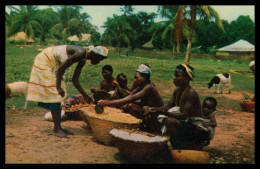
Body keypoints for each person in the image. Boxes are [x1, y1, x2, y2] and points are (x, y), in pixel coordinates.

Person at [26, 45, 108, 138]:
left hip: (53, 63)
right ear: (94, 54)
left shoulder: (83, 59)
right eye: (100, 58)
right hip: (44, 60)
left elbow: (75, 80)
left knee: (58, 96)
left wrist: (85, 96)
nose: (99, 61)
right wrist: (58, 87)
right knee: (56, 94)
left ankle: (58, 127)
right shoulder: (81, 53)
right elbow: (61, 68)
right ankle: (57, 129)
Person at [142, 64, 208, 149]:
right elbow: (168, 108)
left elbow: (183, 115)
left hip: (196, 128)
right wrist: (152, 109)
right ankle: (159, 145)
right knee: (149, 111)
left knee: (170, 121)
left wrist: (161, 111)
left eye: (177, 76)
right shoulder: (177, 90)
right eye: (174, 75)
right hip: (185, 124)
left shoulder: (191, 93)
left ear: (186, 78)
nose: (174, 78)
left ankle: (178, 147)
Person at [98, 63, 164, 133]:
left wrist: (107, 103)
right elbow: (130, 96)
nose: (134, 80)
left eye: (136, 78)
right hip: (147, 109)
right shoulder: (141, 85)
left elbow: (131, 98)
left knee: (131, 106)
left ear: (144, 77)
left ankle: (148, 128)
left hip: (157, 112)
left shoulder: (149, 87)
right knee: (126, 105)